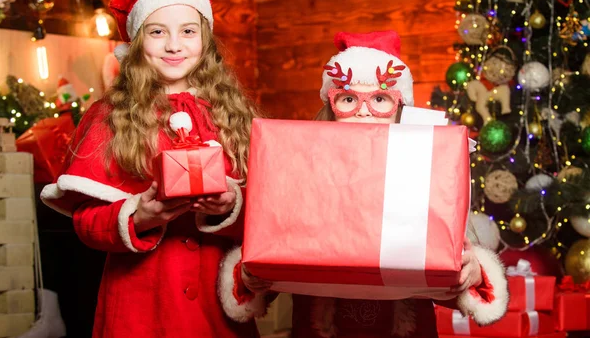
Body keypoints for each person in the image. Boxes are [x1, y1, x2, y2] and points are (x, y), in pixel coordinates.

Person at [217, 31, 509, 337]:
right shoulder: (302, 172)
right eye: (348, 99)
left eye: (380, 99)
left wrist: (473, 272)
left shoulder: (423, 173)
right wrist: (251, 278)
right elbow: (275, 255)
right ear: (331, 108)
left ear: (399, 109)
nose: (365, 110)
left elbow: (448, 265)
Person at [40, 0, 263, 338]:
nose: (174, 45)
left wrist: (229, 208)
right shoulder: (109, 117)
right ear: (136, 41)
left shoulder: (233, 114)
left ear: (205, 39)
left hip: (216, 314)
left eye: (188, 32)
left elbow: (266, 219)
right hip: (141, 311)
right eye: (157, 32)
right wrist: (138, 215)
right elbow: (84, 222)